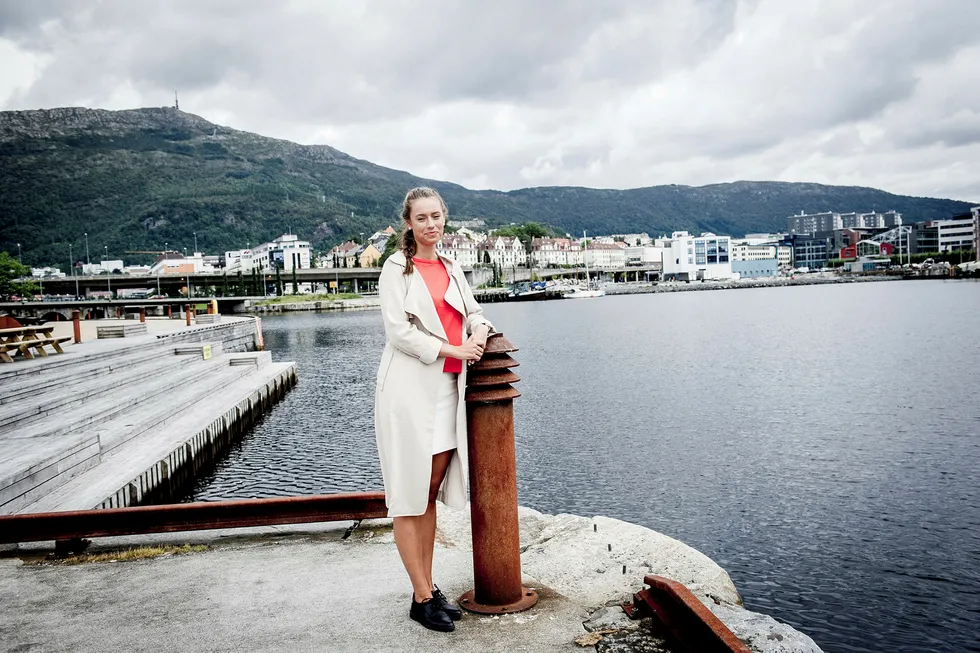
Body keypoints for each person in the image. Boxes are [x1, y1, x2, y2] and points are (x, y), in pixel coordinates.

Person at [374, 187, 494, 632]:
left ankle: (425, 588)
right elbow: (399, 333)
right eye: (421, 217)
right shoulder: (396, 269)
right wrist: (456, 349)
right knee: (409, 495)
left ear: (444, 219)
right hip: (407, 392)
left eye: (436, 216)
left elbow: (473, 311)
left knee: (429, 489)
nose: (430, 224)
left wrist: (478, 330)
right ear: (409, 222)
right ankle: (422, 596)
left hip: (446, 388)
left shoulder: (449, 265)